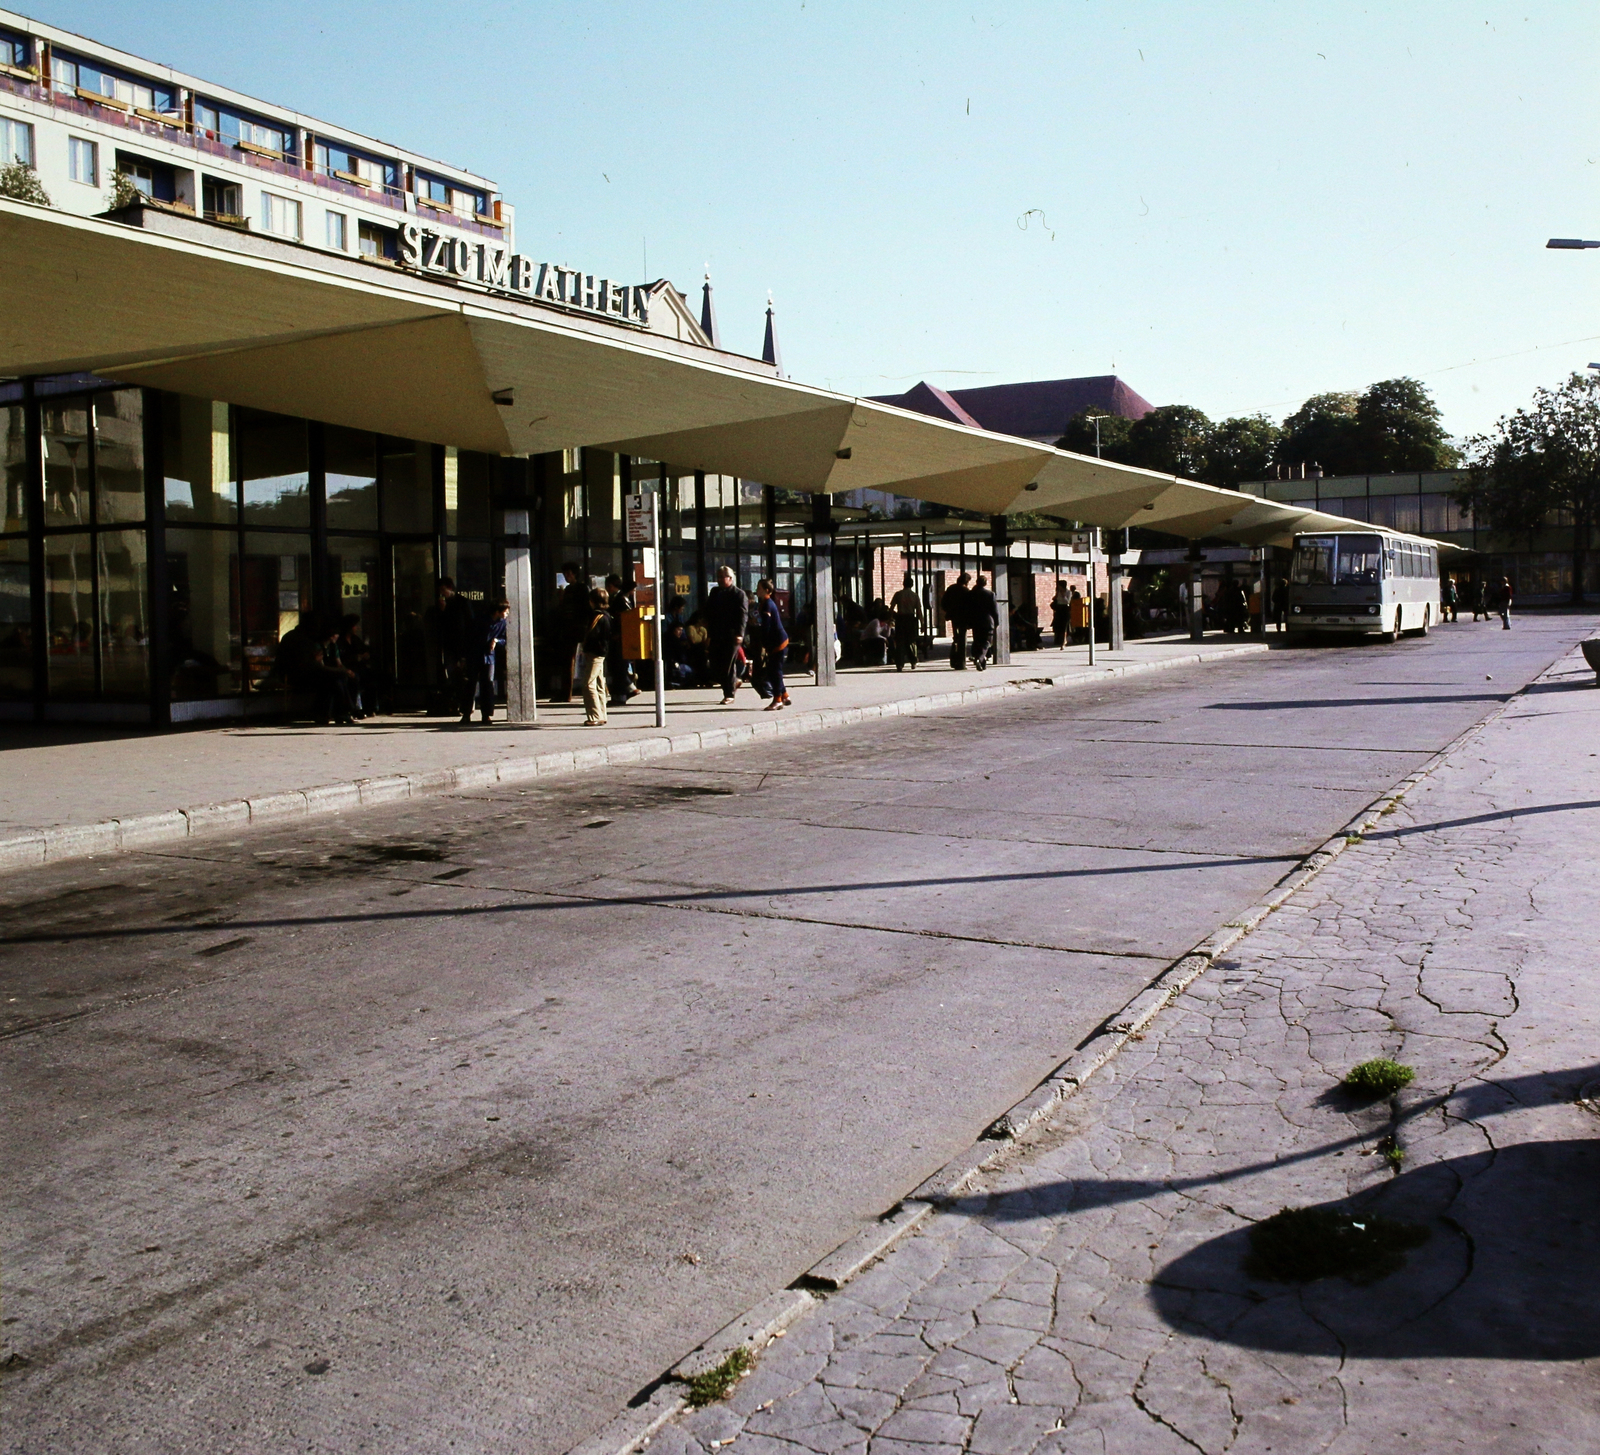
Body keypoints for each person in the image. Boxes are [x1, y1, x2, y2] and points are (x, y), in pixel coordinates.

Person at [436, 577, 479, 719]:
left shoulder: (461, 603)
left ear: (450, 589)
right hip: (450, 645)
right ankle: (461, 703)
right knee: (454, 676)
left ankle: (466, 704)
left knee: (462, 676)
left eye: (444, 590)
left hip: (461, 645)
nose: (442, 594)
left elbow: (465, 625)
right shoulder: (443, 605)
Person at [706, 565, 748, 703]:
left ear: (730, 578)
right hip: (717, 633)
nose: (719, 580)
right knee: (715, 663)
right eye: (718, 577)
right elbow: (710, 613)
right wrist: (709, 633)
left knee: (727, 664)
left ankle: (729, 694)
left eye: (722, 577)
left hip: (732, 634)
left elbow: (743, 615)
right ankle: (734, 682)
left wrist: (740, 633)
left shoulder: (739, 594)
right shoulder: (715, 592)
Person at [466, 598, 508, 725]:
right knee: (470, 684)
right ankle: (466, 713)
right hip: (475, 654)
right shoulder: (480, 620)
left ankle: (486, 714)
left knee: (488, 685)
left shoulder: (502, 623)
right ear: (497, 611)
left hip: (489, 656)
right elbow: (470, 636)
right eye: (505, 611)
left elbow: (504, 639)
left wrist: (496, 641)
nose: (506, 614)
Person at [755, 578, 790, 709]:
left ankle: (777, 699)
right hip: (775, 642)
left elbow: (766, 627)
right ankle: (784, 695)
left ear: (767, 590)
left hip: (778, 643)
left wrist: (763, 642)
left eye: (759, 588)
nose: (757, 591)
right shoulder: (765, 603)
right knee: (774, 670)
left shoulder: (768, 604)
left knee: (774, 672)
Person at [578, 587, 611, 725]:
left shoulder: (596, 617)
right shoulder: (607, 616)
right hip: (602, 653)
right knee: (598, 683)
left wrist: (585, 649)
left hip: (595, 654)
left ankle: (594, 716)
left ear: (592, 601)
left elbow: (592, 636)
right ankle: (602, 714)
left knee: (588, 684)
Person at [889, 572, 924, 671]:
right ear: (912, 585)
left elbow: (891, 608)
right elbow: (919, 611)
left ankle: (899, 664)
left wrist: (890, 619)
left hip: (900, 619)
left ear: (903, 584)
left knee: (900, 641)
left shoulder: (898, 594)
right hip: (911, 619)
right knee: (911, 641)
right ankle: (913, 661)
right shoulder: (915, 596)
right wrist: (922, 623)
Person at [969, 572, 999, 669]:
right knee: (987, 642)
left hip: (975, 621)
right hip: (987, 622)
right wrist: (996, 621)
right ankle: (980, 658)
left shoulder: (971, 594)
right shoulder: (990, 594)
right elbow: (994, 610)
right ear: (985, 583)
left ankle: (980, 660)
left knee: (977, 641)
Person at [1050, 584, 1070, 650]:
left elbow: (1067, 601)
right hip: (1059, 609)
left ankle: (1063, 642)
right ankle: (1058, 640)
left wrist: (1063, 595)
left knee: (1064, 627)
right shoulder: (1058, 592)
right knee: (1058, 626)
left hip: (1065, 608)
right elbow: (1054, 599)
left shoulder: (1068, 592)